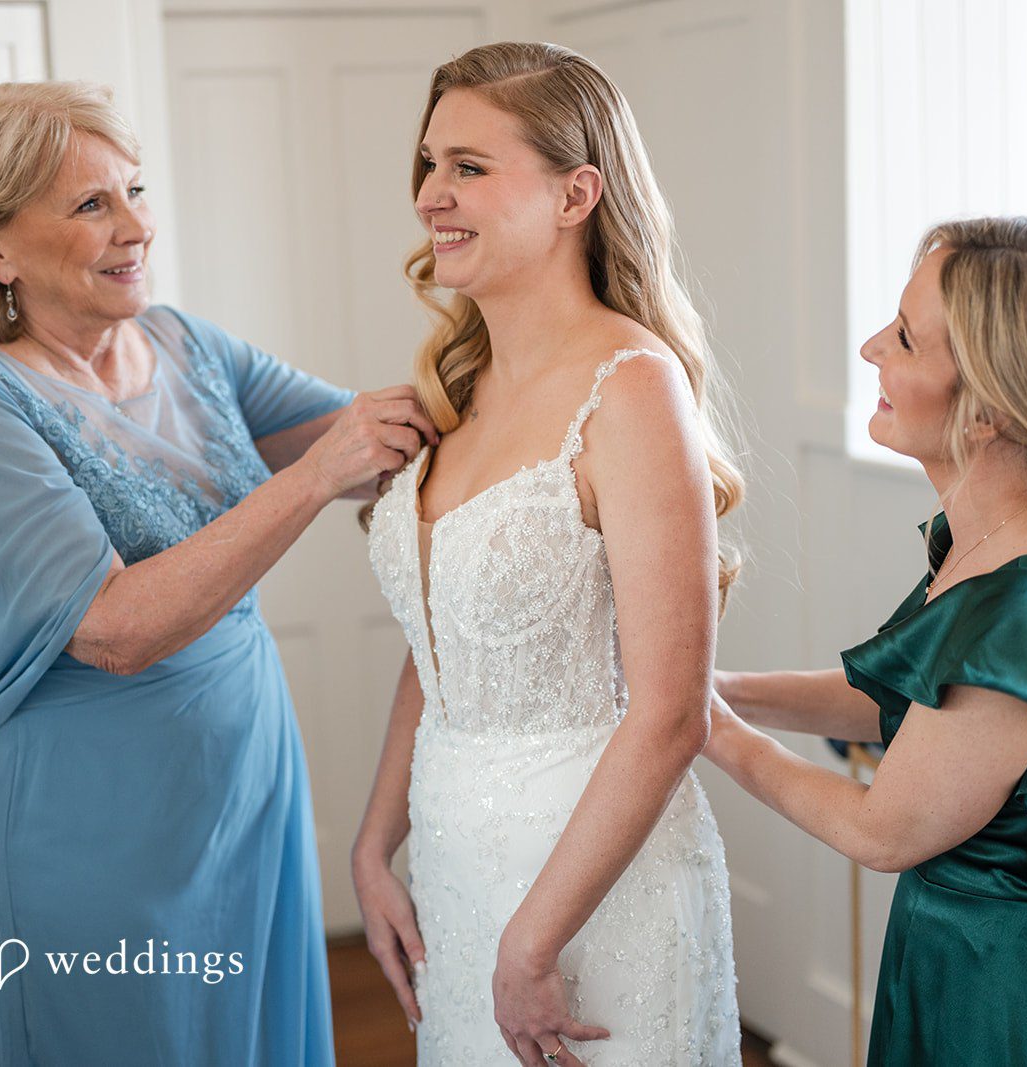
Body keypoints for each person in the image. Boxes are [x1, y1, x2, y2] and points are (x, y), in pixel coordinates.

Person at [0, 81, 435, 1065]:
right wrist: (314, 476)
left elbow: (386, 445)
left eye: (134, 190)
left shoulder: (186, 345)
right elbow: (114, 628)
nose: (137, 225)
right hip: (92, 819)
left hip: (247, 787)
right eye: (91, 203)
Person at [705, 217, 1027, 1065]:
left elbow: (884, 829)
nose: (871, 348)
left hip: (1007, 987)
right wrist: (724, 687)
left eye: (905, 338)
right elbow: (919, 706)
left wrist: (707, 729)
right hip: (1011, 948)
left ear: (991, 409)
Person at [354, 43, 744, 1066]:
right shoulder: (459, 384)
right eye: (429, 163)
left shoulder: (631, 386)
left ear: (576, 194)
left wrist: (533, 939)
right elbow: (443, 644)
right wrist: (374, 843)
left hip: (591, 886)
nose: (431, 194)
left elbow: (672, 714)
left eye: (469, 166)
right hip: (454, 863)